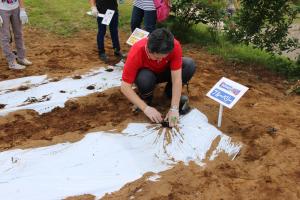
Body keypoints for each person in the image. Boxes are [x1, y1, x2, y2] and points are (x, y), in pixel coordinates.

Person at [121, 28, 196, 127]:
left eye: (164, 57)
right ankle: (146, 98)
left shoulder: (174, 46)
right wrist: (146, 108)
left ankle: (169, 94)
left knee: (189, 65)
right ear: (148, 49)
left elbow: (177, 79)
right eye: (157, 57)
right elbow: (125, 87)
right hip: (147, 74)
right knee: (144, 79)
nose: (160, 60)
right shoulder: (137, 51)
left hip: (165, 72)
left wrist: (174, 108)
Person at [0, 0, 32, 70]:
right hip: (2, 10)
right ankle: (11, 62)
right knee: (5, 37)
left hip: (16, 8)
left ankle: (21, 57)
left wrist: (22, 10)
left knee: (19, 33)